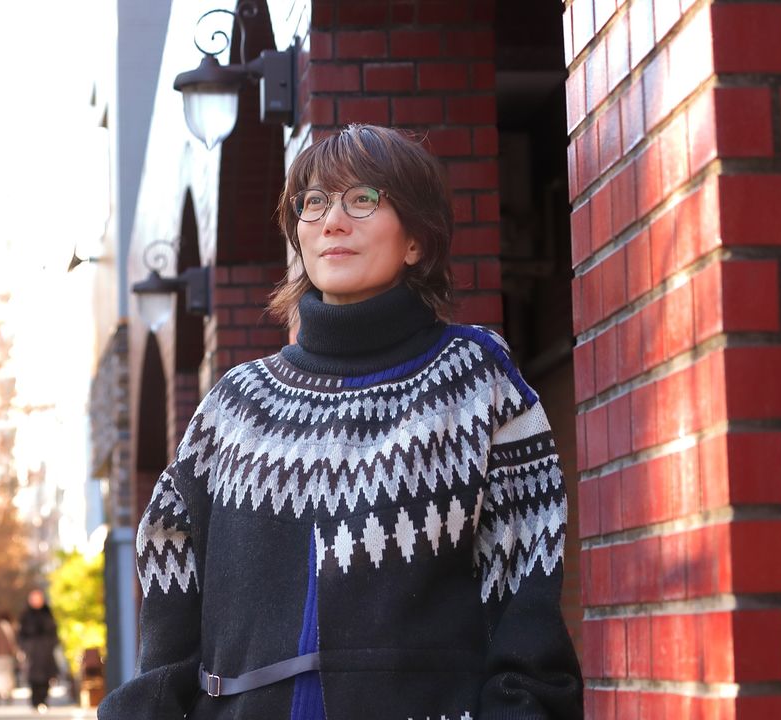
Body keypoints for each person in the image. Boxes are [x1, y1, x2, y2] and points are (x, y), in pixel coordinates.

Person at [98, 124, 583, 719]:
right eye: (315, 202)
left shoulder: (473, 381)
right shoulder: (236, 404)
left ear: (416, 241)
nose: (332, 221)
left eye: (363, 199)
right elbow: (169, 558)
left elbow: (526, 598)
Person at [18, 588, 60, 714]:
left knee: (46, 676)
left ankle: (43, 700)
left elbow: (53, 630)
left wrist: (52, 644)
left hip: (46, 650)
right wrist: (25, 647)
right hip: (32, 650)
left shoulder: (47, 612)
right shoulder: (26, 615)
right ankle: (35, 700)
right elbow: (21, 634)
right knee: (33, 677)